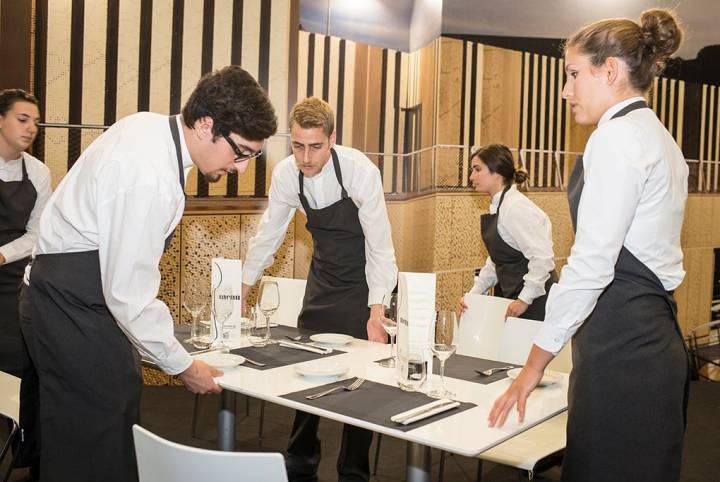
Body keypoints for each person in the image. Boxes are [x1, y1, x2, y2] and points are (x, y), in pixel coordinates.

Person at [19, 65, 278, 482]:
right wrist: (183, 366)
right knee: (95, 438)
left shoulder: (148, 127)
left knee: (87, 424)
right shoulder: (151, 175)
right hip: (70, 303)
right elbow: (127, 293)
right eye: (241, 151)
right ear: (206, 124)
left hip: (68, 295)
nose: (243, 167)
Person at [488, 9, 689, 482]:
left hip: (624, 355)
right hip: (651, 344)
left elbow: (593, 264)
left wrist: (533, 365)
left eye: (574, 74)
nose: (565, 90)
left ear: (611, 71)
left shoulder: (615, 138)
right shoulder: (660, 138)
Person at [241, 96, 397, 482]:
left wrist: (377, 310)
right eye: (297, 146)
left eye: (315, 146)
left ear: (331, 139)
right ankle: (300, 458)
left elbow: (380, 244)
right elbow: (269, 234)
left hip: (365, 282)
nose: (306, 157)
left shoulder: (360, 170)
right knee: (306, 367)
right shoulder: (286, 175)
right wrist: (242, 287)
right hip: (324, 279)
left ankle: (354, 470)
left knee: (363, 380)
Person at [458, 144, 556, 320]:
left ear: (497, 171)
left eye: (477, 169)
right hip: (517, 298)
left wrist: (524, 299)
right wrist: (473, 295)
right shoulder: (500, 206)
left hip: (537, 302)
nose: (472, 176)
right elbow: (497, 262)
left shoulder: (515, 207)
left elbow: (542, 258)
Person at [0, 89, 51, 377]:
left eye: (35, 121)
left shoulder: (38, 172)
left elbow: (37, 233)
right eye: (22, 119)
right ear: (0, 120)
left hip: (13, 281)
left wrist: (3, 255)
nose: (31, 128)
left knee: (13, 365)